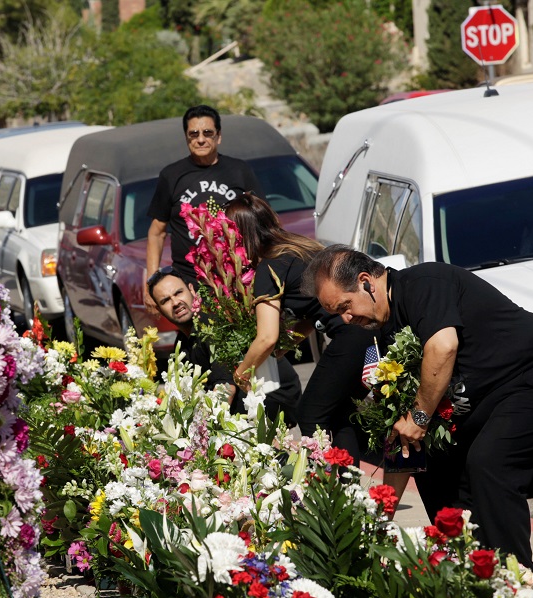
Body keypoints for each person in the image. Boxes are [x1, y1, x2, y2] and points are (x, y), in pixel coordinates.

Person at [306, 244, 533, 574]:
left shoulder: (425, 283)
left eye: (345, 306)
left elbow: (443, 346)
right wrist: (381, 518)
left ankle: (517, 582)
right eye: (336, 314)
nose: (346, 318)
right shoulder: (384, 334)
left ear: (367, 281)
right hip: (495, 396)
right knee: (432, 465)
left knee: (488, 462)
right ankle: (471, 571)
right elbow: (402, 434)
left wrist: (419, 416)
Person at [224, 193, 381, 460]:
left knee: (311, 415)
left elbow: (266, 337)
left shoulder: (269, 267)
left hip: (351, 337)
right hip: (371, 333)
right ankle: (349, 485)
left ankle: (336, 489)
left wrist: (240, 374)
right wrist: (290, 343)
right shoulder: (301, 248)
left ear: (240, 235)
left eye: (225, 233)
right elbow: (312, 315)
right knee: (340, 412)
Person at [145, 105, 263, 309]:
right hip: (193, 283)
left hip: (240, 278)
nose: (201, 139)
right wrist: (152, 282)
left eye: (207, 133)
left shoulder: (239, 170)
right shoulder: (171, 176)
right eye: (194, 133)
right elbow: (156, 233)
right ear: (186, 137)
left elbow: (263, 222)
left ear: (219, 136)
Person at [147, 266, 301, 420]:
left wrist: (205, 428)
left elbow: (226, 389)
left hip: (275, 398)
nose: (175, 302)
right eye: (166, 300)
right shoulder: (182, 342)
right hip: (249, 404)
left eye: (178, 293)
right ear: (159, 310)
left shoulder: (211, 323)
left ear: (192, 291)